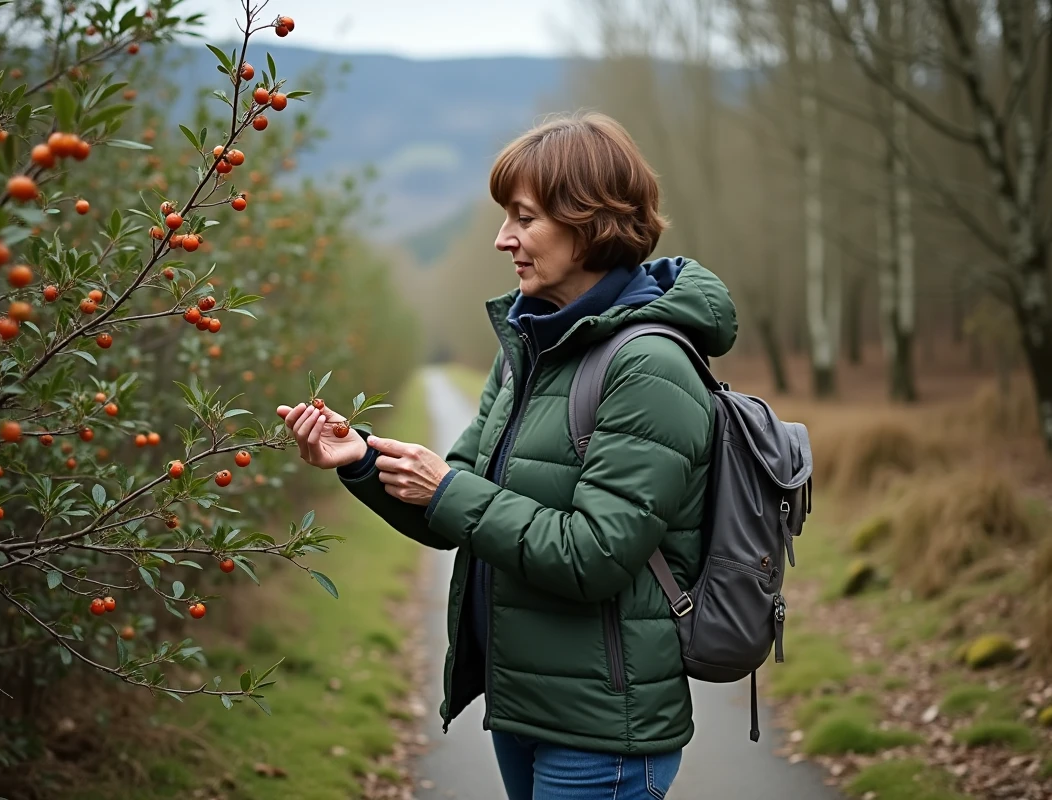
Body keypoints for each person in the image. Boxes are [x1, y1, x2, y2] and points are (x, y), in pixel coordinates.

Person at [277, 111, 737, 800]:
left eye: (523, 218)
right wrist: (362, 461)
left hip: (603, 733)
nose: (503, 240)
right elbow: (456, 508)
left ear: (589, 222)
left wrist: (444, 490)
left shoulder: (648, 365)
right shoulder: (529, 347)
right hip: (523, 708)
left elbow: (595, 555)